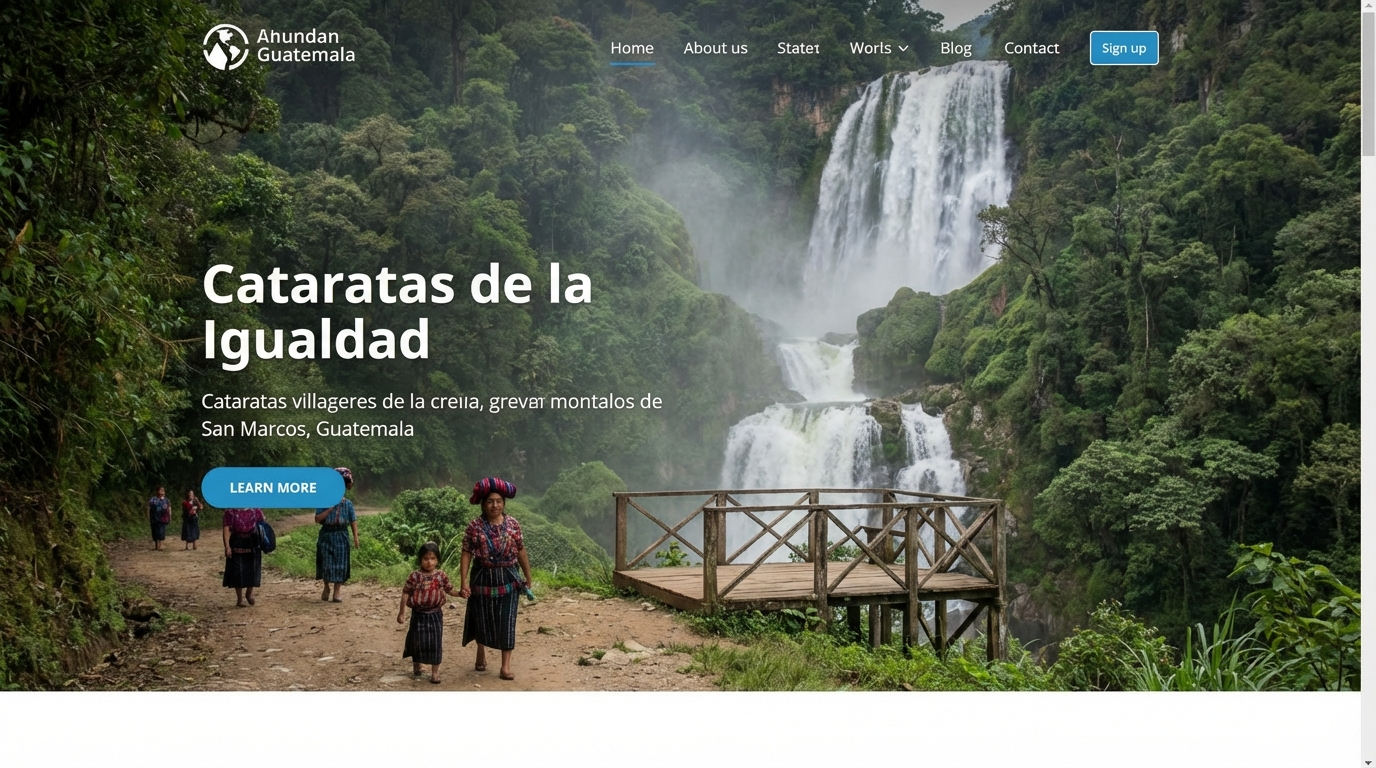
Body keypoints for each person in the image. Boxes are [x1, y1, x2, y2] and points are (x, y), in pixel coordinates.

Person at [459, 477, 532, 681]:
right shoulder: (474, 526)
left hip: (509, 576)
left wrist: (528, 576)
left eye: (499, 501)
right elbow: (466, 553)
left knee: (507, 620)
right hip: (482, 576)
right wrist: (464, 582)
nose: (495, 505)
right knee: (482, 616)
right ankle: (480, 652)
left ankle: (505, 667)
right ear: (483, 504)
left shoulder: (513, 524)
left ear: (504, 503)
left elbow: (521, 550)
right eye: (490, 501)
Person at [398, 542, 460, 684]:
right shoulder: (415, 576)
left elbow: (449, 590)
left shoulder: (440, 576)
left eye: (432, 558)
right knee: (417, 640)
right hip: (418, 614)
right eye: (426, 558)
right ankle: (417, 665)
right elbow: (405, 593)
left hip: (435, 615)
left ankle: (435, 672)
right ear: (420, 559)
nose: (429, 562)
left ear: (437, 560)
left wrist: (461, 593)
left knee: (435, 642)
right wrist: (401, 613)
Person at [315, 467, 359, 602]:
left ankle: (337, 592)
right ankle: (326, 586)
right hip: (327, 535)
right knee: (326, 563)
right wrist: (330, 508)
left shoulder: (348, 504)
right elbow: (317, 519)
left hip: (341, 535)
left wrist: (356, 537)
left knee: (341, 564)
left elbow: (353, 520)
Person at [222, 507, 265, 608]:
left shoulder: (256, 510)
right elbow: (226, 528)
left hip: (252, 541)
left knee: (252, 569)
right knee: (238, 570)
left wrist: (264, 542)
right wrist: (227, 546)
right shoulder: (230, 512)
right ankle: (239, 599)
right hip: (237, 541)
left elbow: (262, 526)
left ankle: (249, 593)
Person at [148, 487, 171, 551]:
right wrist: (148, 515)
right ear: (157, 491)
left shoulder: (166, 500)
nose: (162, 491)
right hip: (154, 518)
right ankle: (156, 546)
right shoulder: (153, 499)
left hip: (163, 518)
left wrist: (170, 516)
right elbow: (149, 507)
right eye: (161, 490)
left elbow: (169, 508)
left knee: (161, 531)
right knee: (155, 531)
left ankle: (160, 546)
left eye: (163, 490)